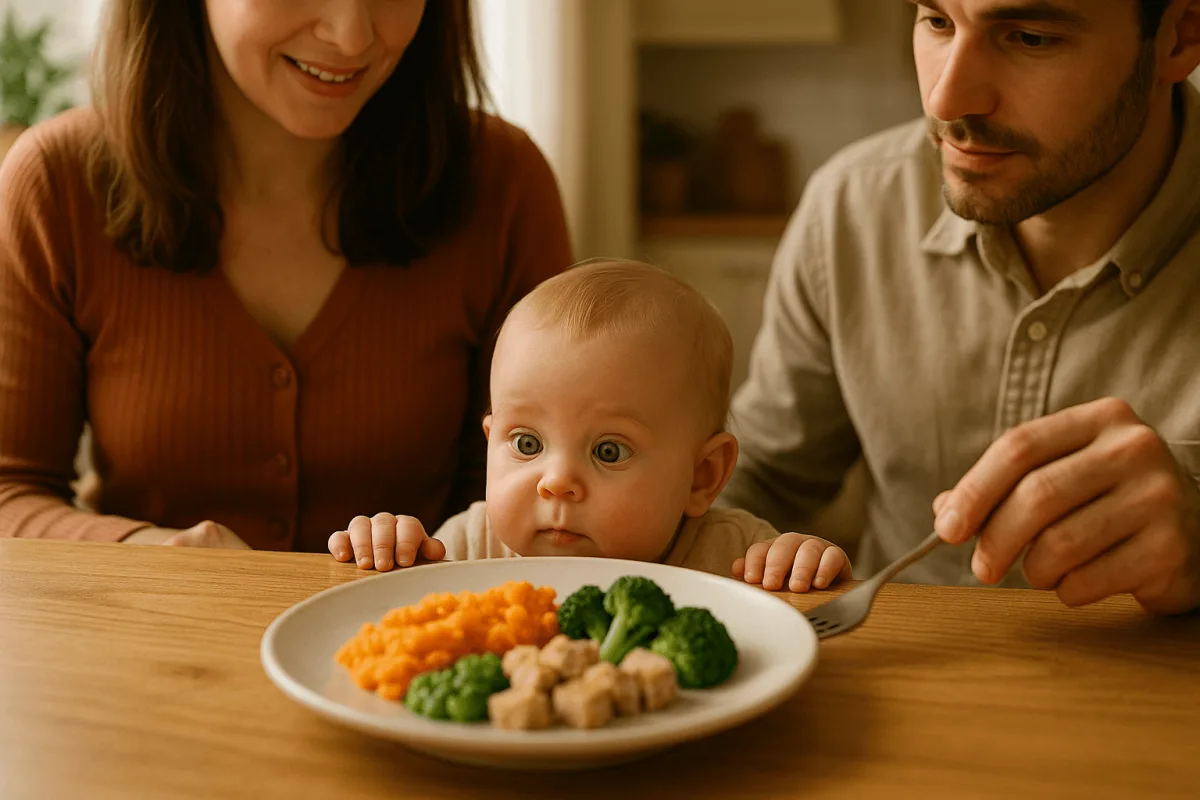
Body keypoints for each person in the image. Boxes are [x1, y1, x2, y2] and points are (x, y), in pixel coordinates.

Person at [0, 0, 572, 551]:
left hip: (426, 642)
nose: (352, 35)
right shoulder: (55, 185)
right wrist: (153, 550)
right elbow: (10, 492)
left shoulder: (504, 184)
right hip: (146, 640)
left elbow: (546, 493)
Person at [720, 0, 1200, 614]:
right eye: (937, 21)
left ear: (1178, 38)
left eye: (1029, 37)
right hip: (900, 682)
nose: (947, 101)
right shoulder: (853, 210)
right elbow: (763, 477)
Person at [328, 261, 853, 593]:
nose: (555, 481)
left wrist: (804, 567)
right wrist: (389, 554)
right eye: (527, 443)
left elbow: (813, 625)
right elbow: (403, 617)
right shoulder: (469, 544)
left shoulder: (732, 556)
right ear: (491, 445)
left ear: (702, 477)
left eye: (608, 451)